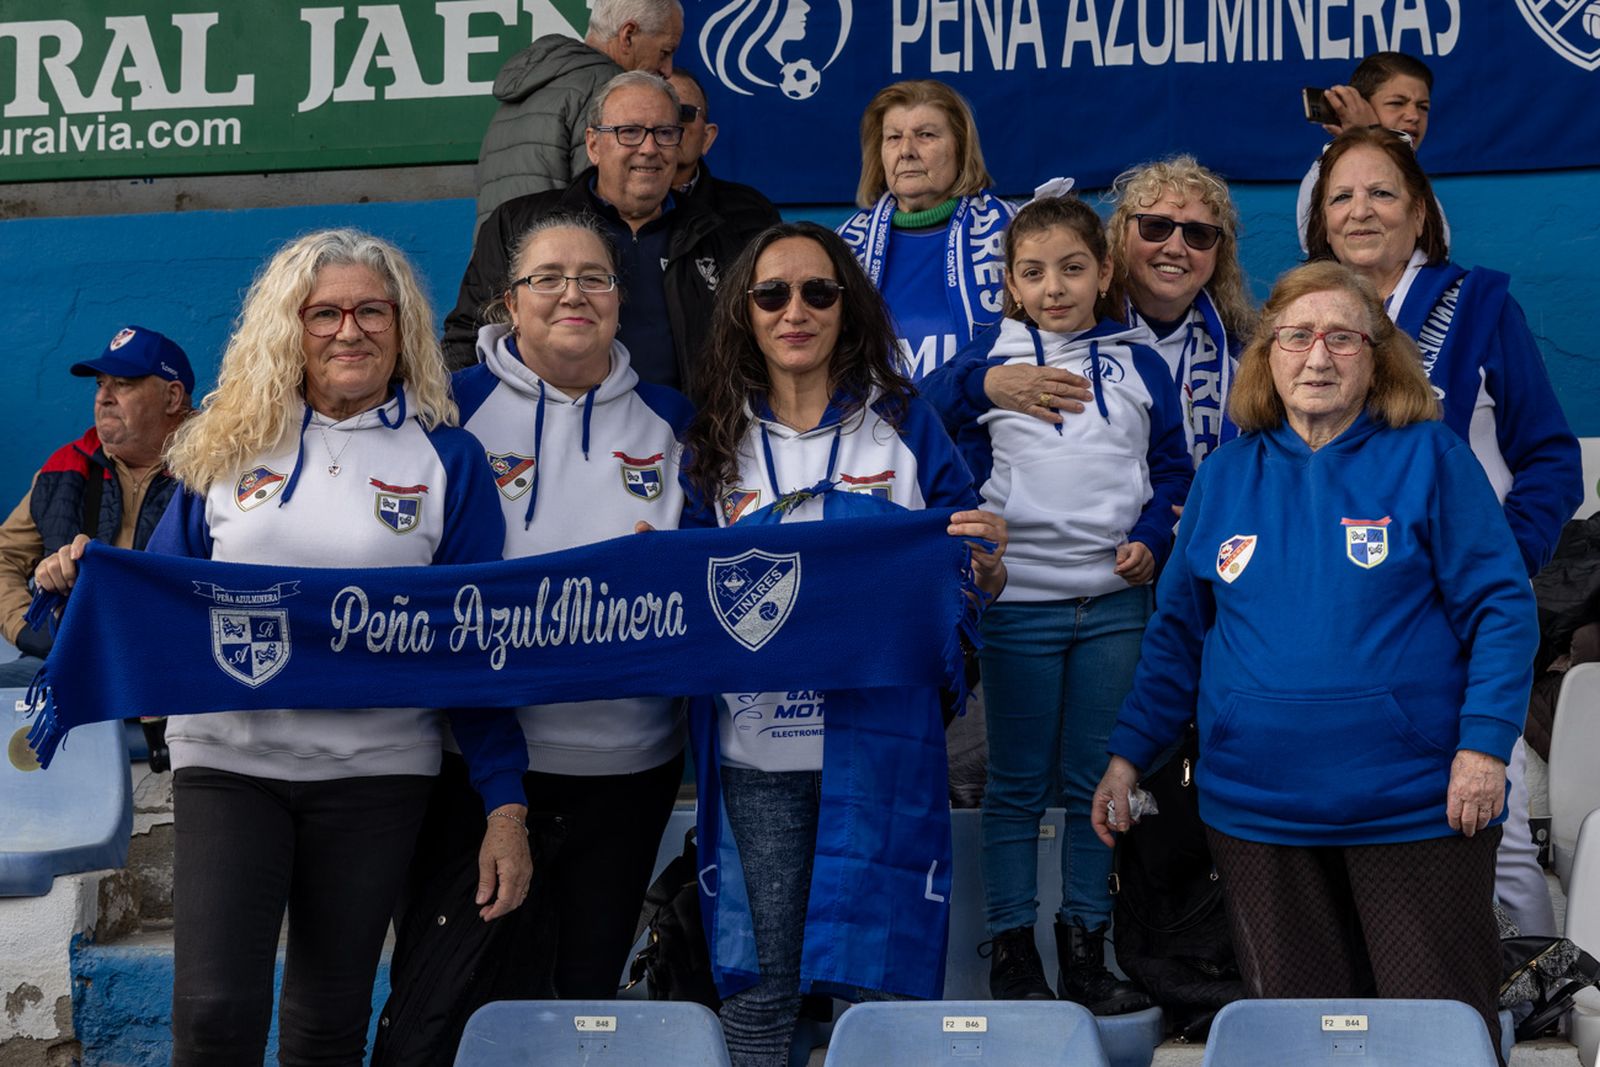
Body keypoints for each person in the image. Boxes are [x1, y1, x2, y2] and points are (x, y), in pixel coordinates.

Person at [38, 229, 533, 1067]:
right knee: (212, 1016)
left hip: (376, 776)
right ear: (288, 328)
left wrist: (505, 802)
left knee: (327, 1023)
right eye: (325, 313)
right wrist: (83, 581)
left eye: (371, 310)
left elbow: (475, 645)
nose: (350, 330)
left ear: (403, 323)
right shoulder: (221, 450)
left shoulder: (448, 458)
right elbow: (158, 600)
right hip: (231, 764)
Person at [1092, 261, 1539, 1056]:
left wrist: (1484, 747)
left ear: (1378, 355)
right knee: (1303, 1044)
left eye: (1342, 336)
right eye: (1295, 337)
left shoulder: (1428, 457)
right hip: (1259, 813)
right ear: (1267, 355)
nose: (1318, 356)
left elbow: (1502, 608)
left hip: (1415, 807)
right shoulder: (1226, 475)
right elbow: (1176, 635)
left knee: (1434, 1039)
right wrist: (1128, 757)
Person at [679, 221, 1008, 1066]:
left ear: (847, 305)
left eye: (819, 291)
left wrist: (984, 564)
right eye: (773, 293)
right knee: (762, 990)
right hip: (757, 753)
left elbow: (971, 567)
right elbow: (679, 586)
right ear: (744, 313)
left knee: (879, 993)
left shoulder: (902, 420)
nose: (797, 310)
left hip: (882, 748)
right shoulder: (714, 438)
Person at [378, 214, 694, 1063]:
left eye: (594, 277)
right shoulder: (449, 413)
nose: (573, 293)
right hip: (473, 772)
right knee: (449, 1006)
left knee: (580, 1011)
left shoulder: (672, 422)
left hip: (629, 773)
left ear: (621, 301)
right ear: (509, 303)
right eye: (549, 277)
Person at [1305, 125, 1582, 938]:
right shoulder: (1303, 319)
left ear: (1421, 212)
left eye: (1382, 192)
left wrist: (1504, 560)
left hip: (1458, 609)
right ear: (1321, 220)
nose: (1361, 211)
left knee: (1488, 817)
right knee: (1359, 818)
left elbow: (1551, 461)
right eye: (1342, 196)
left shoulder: (1481, 304)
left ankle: (1537, 987)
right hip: (1345, 617)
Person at [948, 195, 1188, 1010]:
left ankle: (1087, 946)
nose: (1054, 286)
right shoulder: (990, 359)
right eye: (1033, 271)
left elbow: (1177, 470)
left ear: (1105, 273)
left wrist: (1154, 535)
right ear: (1010, 283)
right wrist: (986, 379)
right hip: (1016, 606)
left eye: (1073, 268)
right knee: (1016, 783)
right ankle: (1013, 950)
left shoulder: (1139, 362)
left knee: (1098, 781)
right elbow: (921, 413)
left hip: (1116, 605)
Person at [923, 158, 1255, 471]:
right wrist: (985, 384)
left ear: (1219, 253)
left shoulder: (1239, 353)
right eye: (1156, 228)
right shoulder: (1059, 321)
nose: (1175, 247)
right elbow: (919, 405)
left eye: (1198, 234)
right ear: (1120, 238)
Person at [444, 72, 763, 394]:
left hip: (689, 434)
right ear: (594, 145)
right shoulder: (518, 224)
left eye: (665, 133)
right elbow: (468, 337)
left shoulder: (722, 233)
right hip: (551, 433)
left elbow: (758, 344)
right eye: (630, 132)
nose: (649, 148)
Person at [0, 326, 192, 687]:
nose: (104, 397)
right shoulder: (66, 468)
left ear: (172, 397)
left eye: (123, 384)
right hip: (69, 658)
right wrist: (29, 629)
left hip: (175, 665)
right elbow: (4, 556)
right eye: (101, 384)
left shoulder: (219, 470)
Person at [837, 80, 1016, 381]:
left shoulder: (1014, 229)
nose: (906, 151)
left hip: (983, 423)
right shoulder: (843, 245)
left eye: (926, 135)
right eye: (893, 137)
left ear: (960, 147)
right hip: (875, 424)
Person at [473, 0, 683, 232]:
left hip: (503, 259)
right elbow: (605, 212)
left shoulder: (521, 93)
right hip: (561, 259)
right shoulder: (609, 91)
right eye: (665, 52)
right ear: (628, 35)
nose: (667, 69)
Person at [1294, 51, 1444, 252]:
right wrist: (1371, 132)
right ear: (1361, 105)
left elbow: (1436, 244)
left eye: (1423, 107)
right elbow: (1318, 250)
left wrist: (1377, 136)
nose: (1413, 115)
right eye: (1397, 103)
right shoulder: (1322, 175)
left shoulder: (1412, 177)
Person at [666, 67, 782, 226]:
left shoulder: (752, 213)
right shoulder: (618, 210)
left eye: (683, 112)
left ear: (707, 138)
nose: (667, 125)